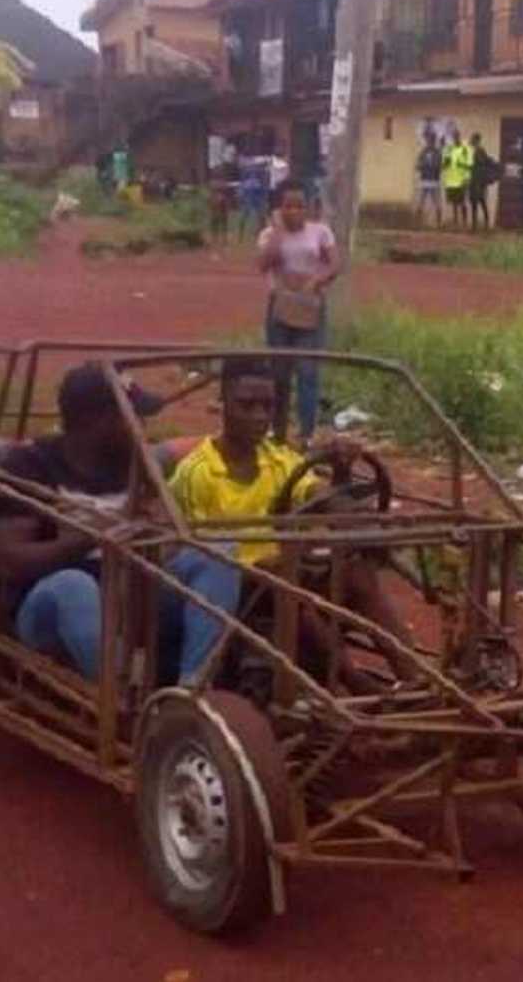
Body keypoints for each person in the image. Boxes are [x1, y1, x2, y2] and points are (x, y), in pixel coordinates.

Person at [170, 357, 417, 692]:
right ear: (224, 403)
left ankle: (417, 678)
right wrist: (272, 565)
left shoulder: (280, 460)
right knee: (284, 580)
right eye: (247, 405)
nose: (259, 416)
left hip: (284, 578)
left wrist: (355, 507)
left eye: (267, 406)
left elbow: (316, 493)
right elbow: (207, 556)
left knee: (356, 572)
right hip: (230, 590)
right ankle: (355, 682)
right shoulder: (197, 472)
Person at [0, 363, 240, 685]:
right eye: (131, 416)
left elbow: (168, 535)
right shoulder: (31, 465)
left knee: (216, 554)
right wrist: (88, 540)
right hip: (51, 609)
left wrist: (159, 536)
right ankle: (123, 697)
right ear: (93, 422)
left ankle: (191, 691)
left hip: (130, 597)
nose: (140, 426)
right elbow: (11, 558)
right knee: (73, 585)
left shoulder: (135, 463)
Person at [258, 178, 338, 442]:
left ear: (309, 207)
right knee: (279, 372)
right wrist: (279, 231)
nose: (294, 211)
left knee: (307, 371)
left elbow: (334, 265)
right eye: (288, 206)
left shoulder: (321, 232)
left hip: (310, 308)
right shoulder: (269, 235)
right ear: (279, 208)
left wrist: (317, 280)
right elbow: (263, 264)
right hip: (279, 308)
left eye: (300, 206)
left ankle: (306, 433)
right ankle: (277, 431)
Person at [441, 130, 473, 229]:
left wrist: (466, 179)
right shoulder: (449, 149)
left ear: (459, 136)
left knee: (462, 202)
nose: (455, 138)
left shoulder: (465, 148)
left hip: (462, 180)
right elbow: (444, 165)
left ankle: (464, 223)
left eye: (457, 136)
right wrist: (446, 162)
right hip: (451, 181)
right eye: (453, 136)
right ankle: (456, 222)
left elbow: (470, 165)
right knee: (454, 203)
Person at [468, 132, 498, 231]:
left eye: (473, 140)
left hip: (479, 181)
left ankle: (480, 226)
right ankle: (478, 225)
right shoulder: (477, 151)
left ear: (476, 140)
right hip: (476, 180)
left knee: (479, 202)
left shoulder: (479, 151)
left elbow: (481, 164)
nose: (471, 141)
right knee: (477, 202)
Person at [414, 132, 443, 229]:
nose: (429, 142)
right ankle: (417, 223)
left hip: (434, 180)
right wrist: (422, 166)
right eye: (428, 140)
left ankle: (439, 223)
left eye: (431, 140)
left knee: (437, 202)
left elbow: (439, 166)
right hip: (424, 179)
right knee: (421, 201)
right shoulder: (423, 152)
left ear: (434, 141)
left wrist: (428, 166)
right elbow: (418, 165)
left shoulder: (437, 152)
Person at [236, 158, 268, 238]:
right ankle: (240, 234)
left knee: (260, 216)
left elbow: (264, 187)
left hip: (256, 195)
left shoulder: (261, 175)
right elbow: (242, 187)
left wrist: (264, 197)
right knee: (245, 215)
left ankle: (260, 233)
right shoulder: (248, 174)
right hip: (250, 195)